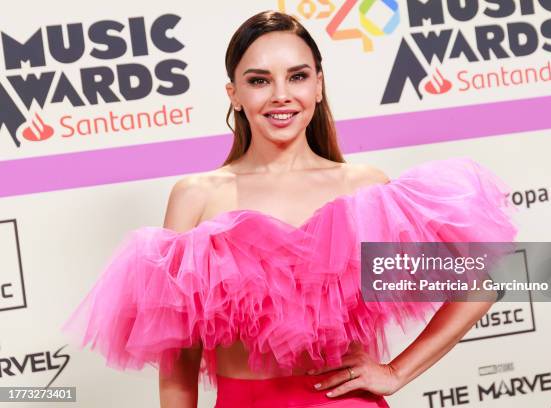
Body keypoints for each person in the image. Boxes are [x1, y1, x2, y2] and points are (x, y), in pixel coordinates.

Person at [62, 10, 518, 408]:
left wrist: (396, 372)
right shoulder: (196, 196)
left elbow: (484, 281)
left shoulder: (365, 189)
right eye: (259, 80)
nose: (281, 95)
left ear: (318, 86)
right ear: (234, 94)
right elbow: (179, 360)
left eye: (297, 76)